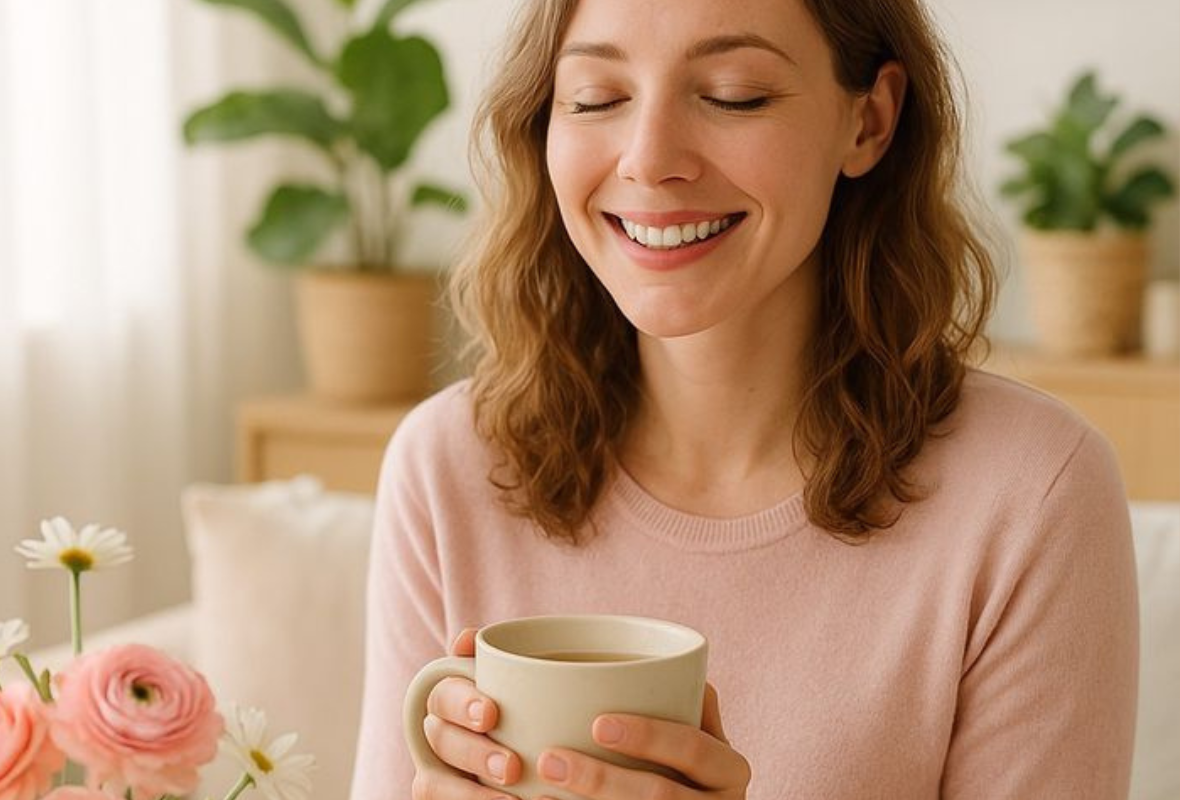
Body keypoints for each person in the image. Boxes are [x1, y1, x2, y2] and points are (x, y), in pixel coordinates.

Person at [350, 0, 1139, 797]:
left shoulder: (1033, 492)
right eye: (595, 98)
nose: (649, 160)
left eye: (734, 95)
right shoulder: (450, 465)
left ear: (868, 121)